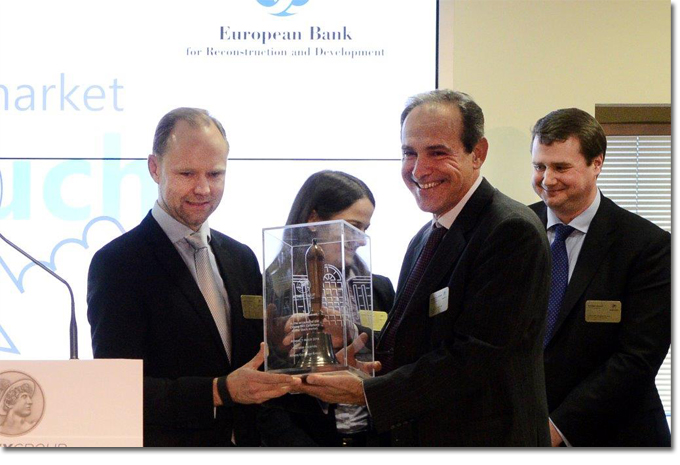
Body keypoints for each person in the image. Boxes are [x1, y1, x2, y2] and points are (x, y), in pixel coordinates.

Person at [296, 90, 552, 446]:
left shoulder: (510, 230)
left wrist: (368, 393)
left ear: (477, 153)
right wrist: (359, 350)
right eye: (409, 153)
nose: (418, 170)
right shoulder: (424, 237)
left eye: (437, 152)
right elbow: (417, 340)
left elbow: (477, 357)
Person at [87, 107, 300, 447]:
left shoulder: (241, 258)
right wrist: (219, 391)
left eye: (215, 174)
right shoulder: (118, 264)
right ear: (154, 168)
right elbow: (119, 388)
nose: (203, 188)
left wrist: (303, 355)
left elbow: (255, 363)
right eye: (187, 173)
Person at [529, 108, 671, 447]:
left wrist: (558, 427)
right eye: (539, 166)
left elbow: (637, 358)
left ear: (597, 164)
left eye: (561, 167)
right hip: (525, 429)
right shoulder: (515, 230)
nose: (547, 179)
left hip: (616, 435)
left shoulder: (647, 245)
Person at [257, 170, 395, 447]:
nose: (360, 239)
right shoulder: (272, 289)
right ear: (314, 220)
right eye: (353, 226)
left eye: (365, 229)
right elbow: (261, 388)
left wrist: (352, 332)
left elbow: (396, 358)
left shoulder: (378, 288)